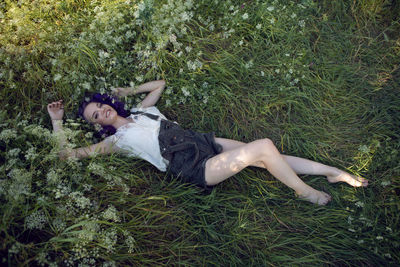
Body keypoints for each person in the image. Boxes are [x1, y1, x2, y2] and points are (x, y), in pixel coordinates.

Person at [47, 80, 368, 205]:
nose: (100, 113)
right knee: (264, 147)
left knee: (269, 156)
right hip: (191, 166)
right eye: (94, 117)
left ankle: (332, 171)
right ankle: (305, 192)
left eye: (99, 107)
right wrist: (58, 121)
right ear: (97, 126)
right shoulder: (118, 141)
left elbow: (159, 84)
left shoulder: (142, 112)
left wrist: (126, 93)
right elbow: (66, 155)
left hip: (204, 142)